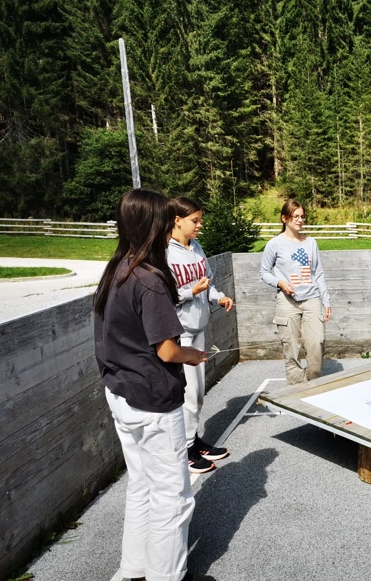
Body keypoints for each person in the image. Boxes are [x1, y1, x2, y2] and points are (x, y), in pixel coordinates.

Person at [94, 188, 208, 581]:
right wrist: (192, 355)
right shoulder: (150, 279)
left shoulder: (116, 269)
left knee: (141, 485)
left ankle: (134, 569)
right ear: (154, 225)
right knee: (173, 497)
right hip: (153, 401)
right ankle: (167, 575)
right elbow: (167, 350)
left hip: (120, 392)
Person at [168, 197, 234, 474]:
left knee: (197, 394)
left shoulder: (196, 247)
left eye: (200, 220)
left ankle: (193, 441)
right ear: (177, 220)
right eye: (195, 220)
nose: (199, 225)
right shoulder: (165, 253)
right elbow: (162, 296)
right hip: (178, 333)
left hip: (198, 328)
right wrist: (189, 292)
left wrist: (218, 297)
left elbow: (207, 283)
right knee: (189, 394)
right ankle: (184, 451)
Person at [259, 199, 331, 384]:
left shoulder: (311, 243)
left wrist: (326, 301)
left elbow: (319, 273)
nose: (300, 220)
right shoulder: (274, 244)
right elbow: (264, 272)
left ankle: (314, 384)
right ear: (284, 218)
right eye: (296, 216)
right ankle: (296, 390)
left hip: (312, 299)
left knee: (317, 343)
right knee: (291, 349)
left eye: (302, 217)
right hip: (287, 302)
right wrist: (280, 283)